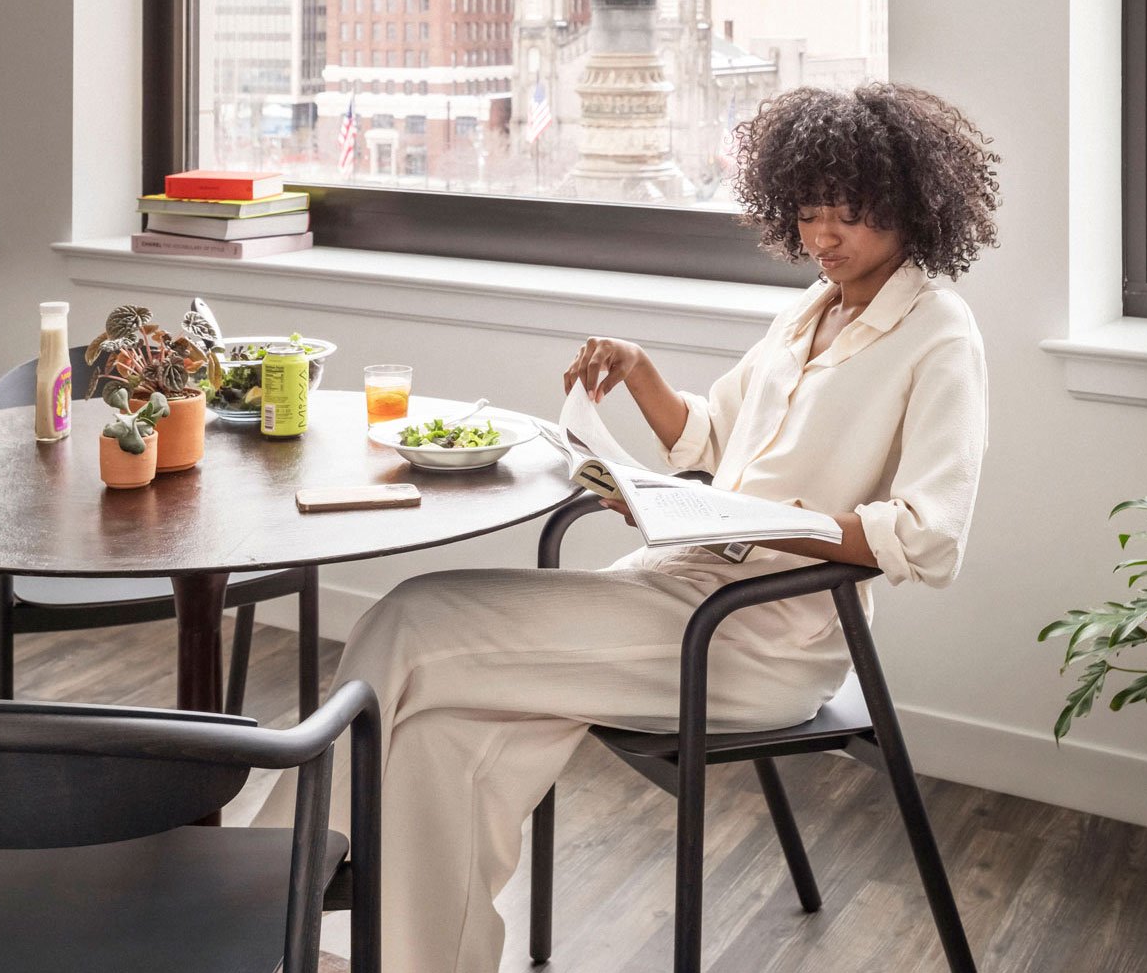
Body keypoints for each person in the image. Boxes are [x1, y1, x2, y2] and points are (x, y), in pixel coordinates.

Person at [255, 82, 1001, 973]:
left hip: (756, 638)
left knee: (411, 615)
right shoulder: (810, 310)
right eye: (807, 214)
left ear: (910, 209)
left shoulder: (938, 335)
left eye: (848, 217)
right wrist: (641, 373)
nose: (823, 239)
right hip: (672, 588)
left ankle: (265, 894)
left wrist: (750, 519)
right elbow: (712, 437)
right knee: (438, 734)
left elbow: (927, 536)